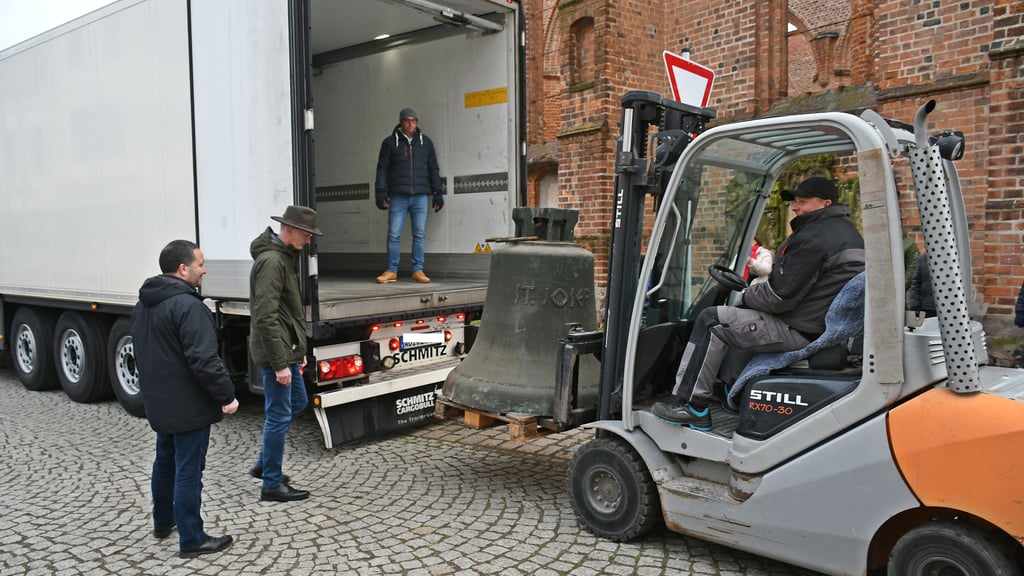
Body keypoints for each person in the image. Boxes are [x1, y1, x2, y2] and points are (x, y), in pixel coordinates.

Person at [652, 177, 865, 429]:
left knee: (712, 320)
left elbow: (779, 298)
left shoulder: (814, 238)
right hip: (815, 323)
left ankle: (692, 406)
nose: (795, 207)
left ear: (826, 203)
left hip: (798, 328)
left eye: (803, 201)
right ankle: (731, 388)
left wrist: (746, 294)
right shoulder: (847, 233)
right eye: (795, 201)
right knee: (740, 316)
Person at [132, 239, 239, 558]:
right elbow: (203, 359)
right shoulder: (188, 306)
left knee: (164, 462)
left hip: (160, 400)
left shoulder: (144, 303)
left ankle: (163, 521)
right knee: (189, 470)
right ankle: (192, 538)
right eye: (200, 264)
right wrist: (227, 395)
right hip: (188, 404)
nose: (204, 270)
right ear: (183, 268)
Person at [249, 205, 322, 502]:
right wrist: (280, 363)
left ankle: (263, 464)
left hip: (287, 349)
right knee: (278, 415)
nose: (309, 240)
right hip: (276, 353)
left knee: (297, 401)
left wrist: (298, 349)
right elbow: (265, 316)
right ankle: (271, 483)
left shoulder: (283, 257)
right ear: (289, 230)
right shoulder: (272, 261)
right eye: (306, 234)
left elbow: (285, 312)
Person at [374, 107, 444, 284]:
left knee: (419, 234)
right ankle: (391, 270)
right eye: (407, 120)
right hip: (398, 195)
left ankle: (418, 270)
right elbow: (382, 169)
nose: (411, 123)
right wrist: (381, 192)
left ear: (416, 122)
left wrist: (437, 192)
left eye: (413, 120)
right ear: (401, 122)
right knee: (393, 234)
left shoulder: (425, 143)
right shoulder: (390, 143)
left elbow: (433, 168)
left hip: (420, 196)